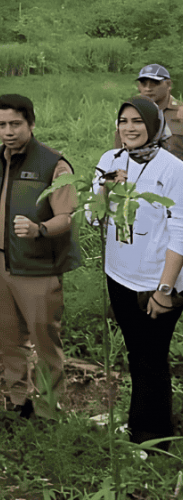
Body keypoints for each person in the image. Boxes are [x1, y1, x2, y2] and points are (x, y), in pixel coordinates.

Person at [95, 95, 183, 450]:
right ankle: (139, 425)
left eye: (137, 122)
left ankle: (155, 439)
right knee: (137, 354)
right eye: (123, 121)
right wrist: (106, 188)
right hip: (118, 274)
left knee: (152, 357)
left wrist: (165, 288)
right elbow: (93, 216)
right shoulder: (109, 160)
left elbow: (180, 230)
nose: (129, 128)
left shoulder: (172, 168)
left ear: (154, 126)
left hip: (155, 281)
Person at [0, 94, 81, 418]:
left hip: (38, 269)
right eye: (2, 124)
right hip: (0, 267)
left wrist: (39, 228)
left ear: (31, 123)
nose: (8, 131)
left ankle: (48, 408)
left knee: (44, 341)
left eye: (15, 124)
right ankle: (17, 401)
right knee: (10, 340)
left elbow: (66, 217)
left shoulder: (53, 163)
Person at [114, 64, 183, 161]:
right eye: (143, 83)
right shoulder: (129, 113)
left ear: (169, 85)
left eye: (155, 83)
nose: (148, 88)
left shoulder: (181, 113)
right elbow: (119, 152)